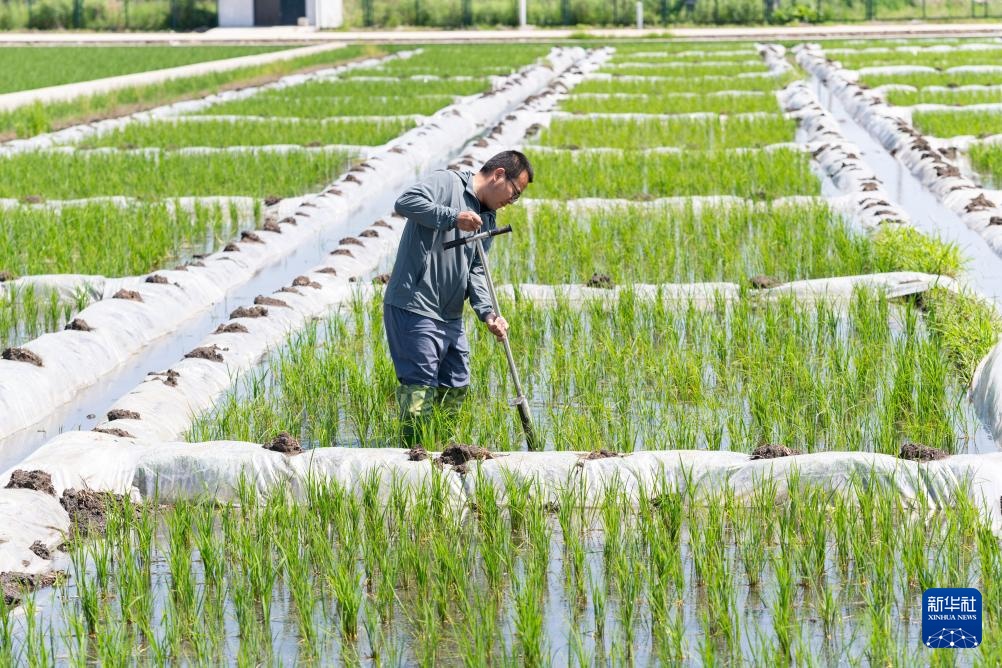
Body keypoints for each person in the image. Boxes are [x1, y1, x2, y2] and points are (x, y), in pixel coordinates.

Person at [383, 150, 533, 445]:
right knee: (420, 391)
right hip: (415, 305)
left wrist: (487, 313)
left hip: (450, 316)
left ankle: (442, 453)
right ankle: (415, 461)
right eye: (514, 193)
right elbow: (405, 202)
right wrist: (453, 217)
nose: (511, 202)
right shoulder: (447, 184)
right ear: (499, 174)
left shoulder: (488, 219)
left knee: (457, 385)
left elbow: (477, 270)